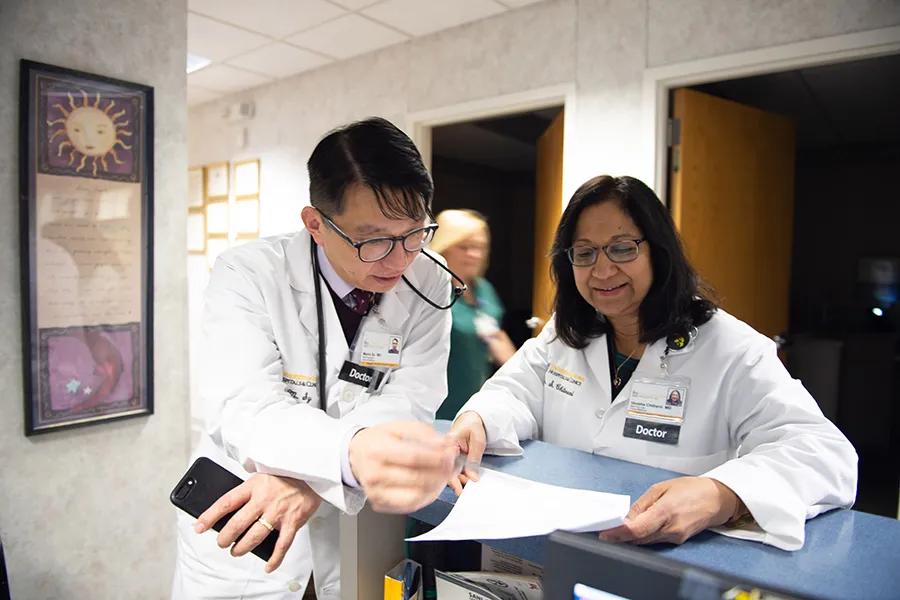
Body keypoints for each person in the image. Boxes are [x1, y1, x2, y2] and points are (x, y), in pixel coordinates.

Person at [448, 175, 857, 551]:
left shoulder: (732, 348)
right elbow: (515, 391)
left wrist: (722, 494)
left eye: (623, 248)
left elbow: (824, 454)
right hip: (562, 546)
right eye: (585, 252)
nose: (603, 269)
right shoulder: (566, 331)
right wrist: (480, 418)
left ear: (659, 252)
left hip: (674, 562)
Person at [172, 118, 462, 599]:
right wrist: (348, 456)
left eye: (415, 234)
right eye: (374, 241)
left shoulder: (430, 279)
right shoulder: (247, 274)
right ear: (316, 225)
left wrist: (314, 479)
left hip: (349, 527)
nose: (399, 260)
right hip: (248, 521)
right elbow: (244, 408)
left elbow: (413, 398)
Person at [429, 210, 517, 421]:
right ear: (445, 247)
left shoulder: (484, 289)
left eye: (480, 248)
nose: (475, 255)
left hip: (474, 407)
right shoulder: (432, 291)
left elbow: (495, 335)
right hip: (437, 409)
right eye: (465, 247)